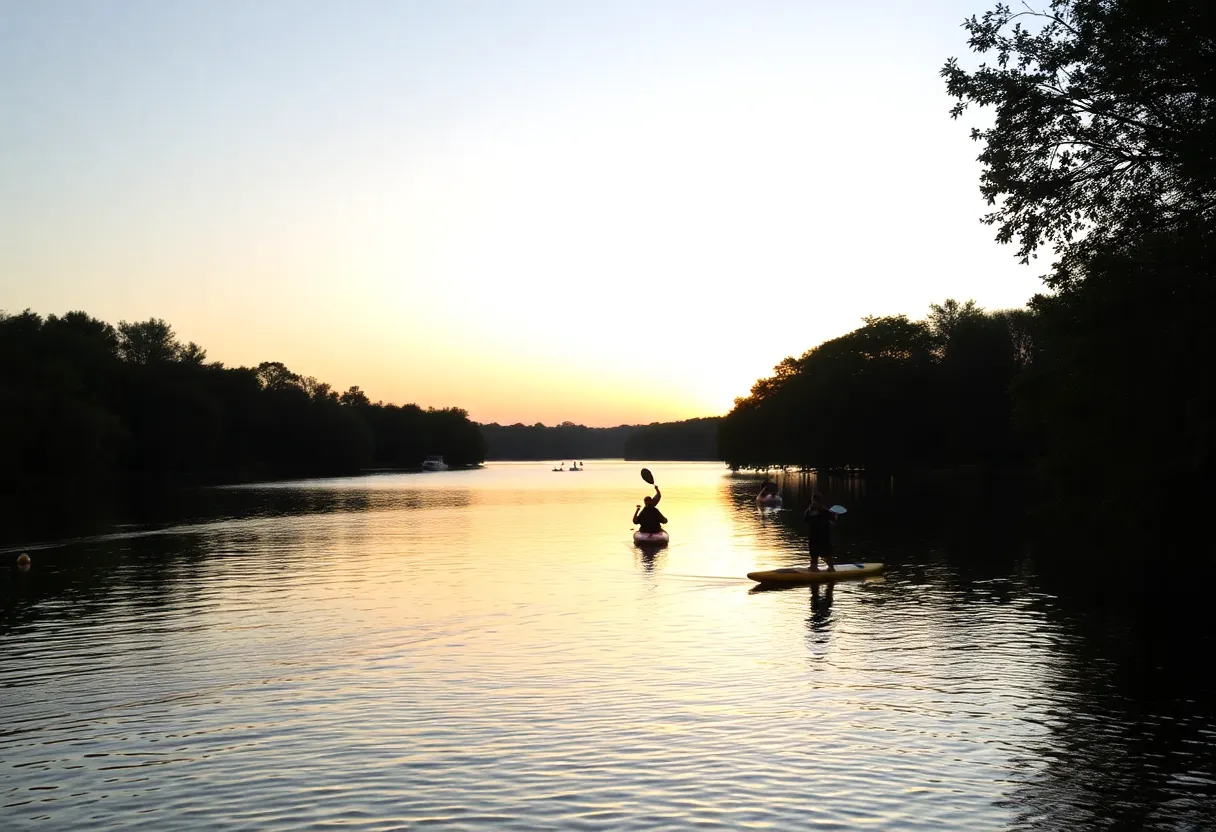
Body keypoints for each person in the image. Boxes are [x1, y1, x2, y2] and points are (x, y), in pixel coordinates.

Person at [802, 492, 837, 571]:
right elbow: (805, 520)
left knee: (827, 552)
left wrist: (834, 517)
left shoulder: (825, 511)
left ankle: (831, 567)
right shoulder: (809, 511)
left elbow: (833, 522)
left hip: (824, 535)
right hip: (813, 535)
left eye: (815, 501)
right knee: (813, 553)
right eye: (813, 501)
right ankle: (814, 567)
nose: (813, 503)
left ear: (819, 502)